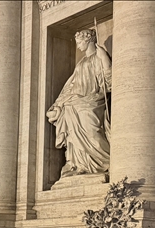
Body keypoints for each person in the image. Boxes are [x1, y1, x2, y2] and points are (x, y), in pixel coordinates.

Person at [46, 28, 112, 178]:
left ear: (88, 40)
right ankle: (78, 164)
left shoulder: (99, 57)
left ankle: (103, 161)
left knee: (92, 131)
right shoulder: (81, 62)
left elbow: (109, 79)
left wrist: (104, 58)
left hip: (93, 101)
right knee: (72, 132)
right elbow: (71, 86)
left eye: (80, 42)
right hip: (75, 102)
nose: (78, 46)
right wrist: (58, 104)